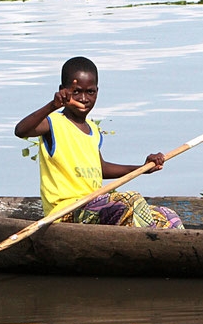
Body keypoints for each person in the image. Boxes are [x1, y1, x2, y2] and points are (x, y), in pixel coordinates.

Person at [14, 56, 183, 229]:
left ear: (97, 92)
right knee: (131, 200)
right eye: (76, 91)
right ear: (63, 91)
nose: (83, 98)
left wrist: (142, 168)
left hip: (93, 206)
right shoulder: (53, 123)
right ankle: (147, 246)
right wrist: (52, 105)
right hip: (66, 212)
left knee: (168, 215)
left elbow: (100, 168)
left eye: (90, 92)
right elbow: (21, 130)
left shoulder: (93, 130)